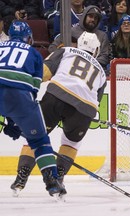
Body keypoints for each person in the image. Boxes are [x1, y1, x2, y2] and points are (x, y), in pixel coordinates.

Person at [9, 31, 107, 194]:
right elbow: (97, 101)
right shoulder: (102, 73)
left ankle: (21, 177)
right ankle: (58, 178)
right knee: (71, 143)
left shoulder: (67, 51)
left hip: (57, 96)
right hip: (85, 109)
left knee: (35, 136)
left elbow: (44, 72)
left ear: (78, 44)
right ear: (96, 50)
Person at [0, 21, 66, 197]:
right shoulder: (34, 53)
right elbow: (33, 90)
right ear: (29, 38)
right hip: (20, 95)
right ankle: (52, 182)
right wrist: (16, 120)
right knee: (38, 141)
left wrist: (7, 118)